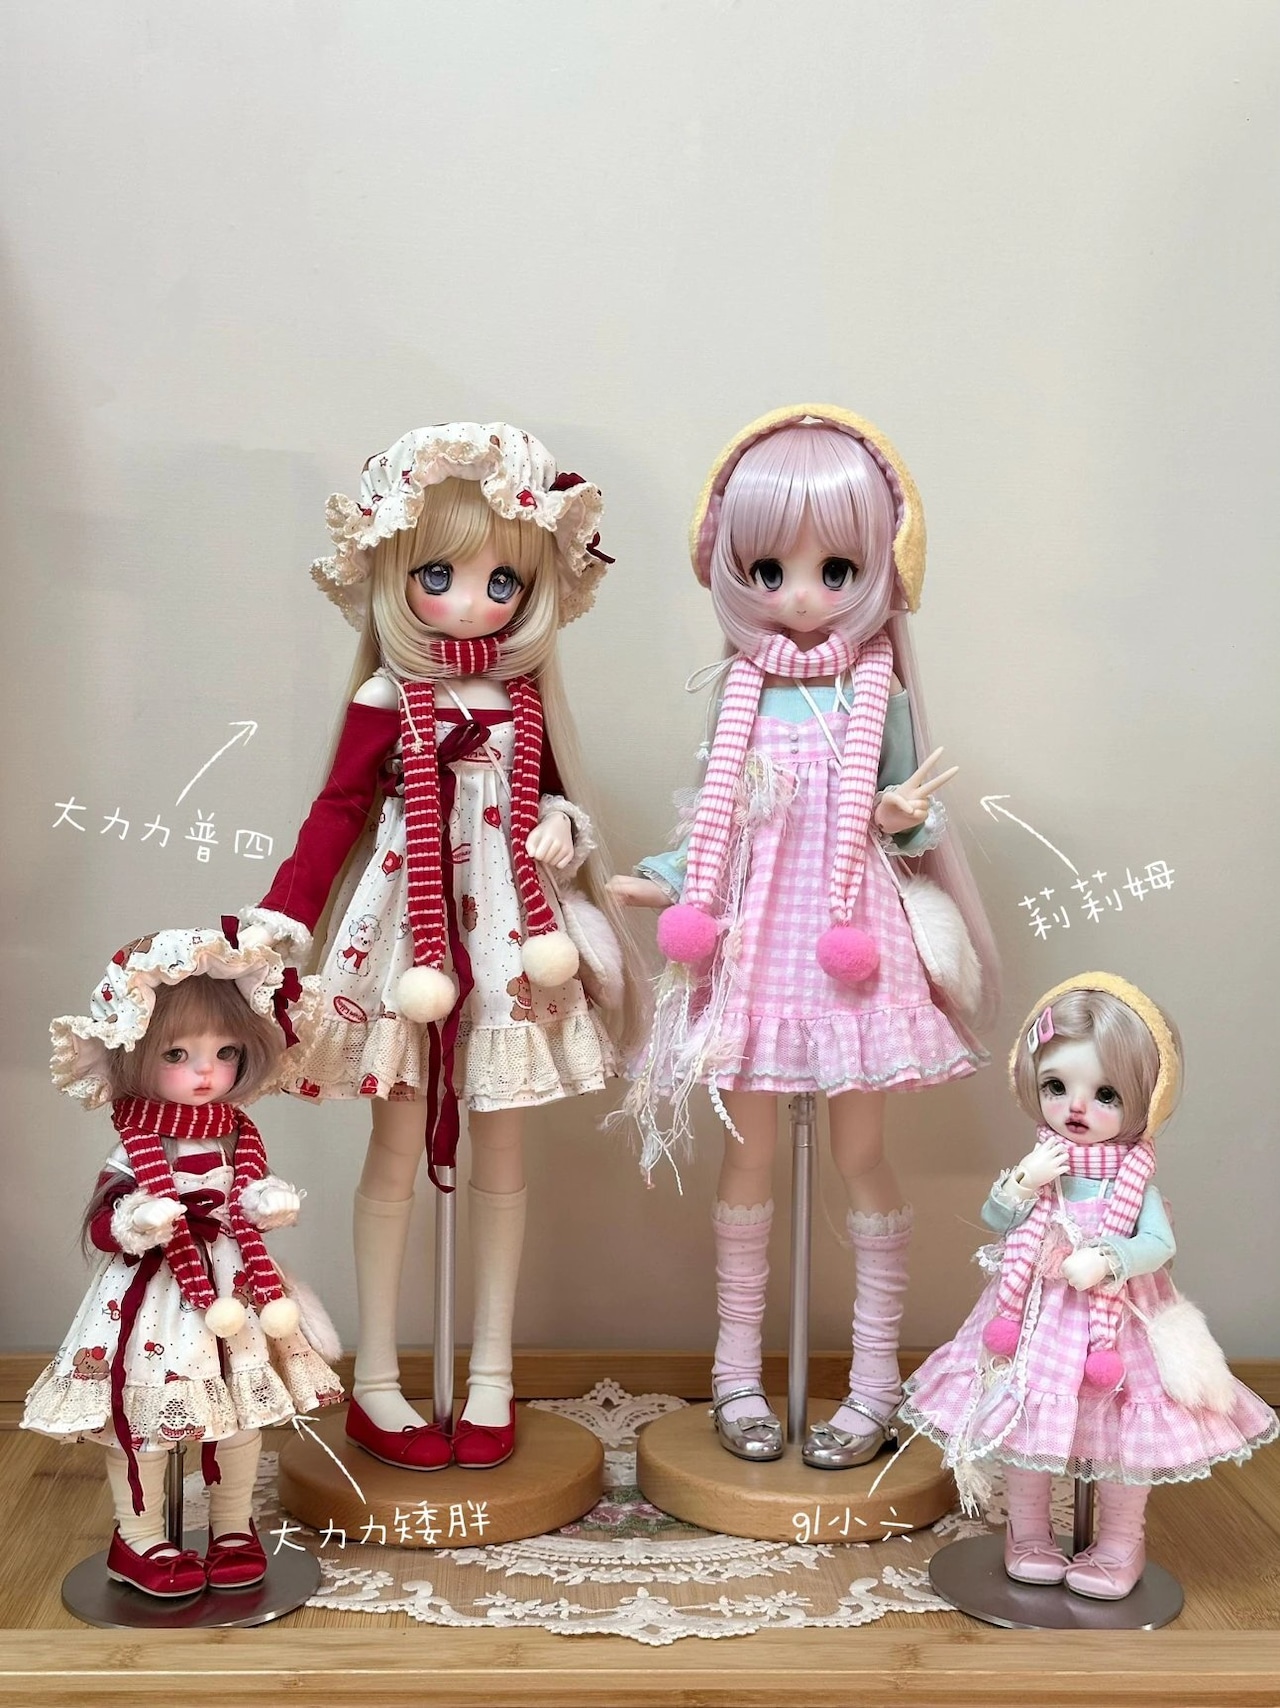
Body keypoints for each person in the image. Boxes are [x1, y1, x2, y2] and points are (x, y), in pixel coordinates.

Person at [242, 423, 643, 1471]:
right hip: (407, 939)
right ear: (394, 576)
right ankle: (378, 1378)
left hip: (510, 934)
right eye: (440, 576)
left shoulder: (523, 701)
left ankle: (492, 1371)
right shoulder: (388, 696)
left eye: (502, 581)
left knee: (502, 1150)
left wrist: (560, 826)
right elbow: (337, 813)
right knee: (394, 1147)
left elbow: (553, 795)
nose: (472, 601)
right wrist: (284, 916)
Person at [613, 406, 997, 1469]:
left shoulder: (880, 691)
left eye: (834, 569)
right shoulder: (740, 692)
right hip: (750, 943)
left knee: (862, 1155)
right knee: (744, 1159)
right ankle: (736, 1373)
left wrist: (898, 816)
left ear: (880, 569)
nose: (798, 594)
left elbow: (912, 822)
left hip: (848, 940)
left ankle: (873, 1383)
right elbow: (718, 821)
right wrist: (662, 881)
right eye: (768, 568)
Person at [899, 972, 1278, 1599]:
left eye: (1106, 1095)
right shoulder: (1045, 1165)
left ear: (1147, 1100)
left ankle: (1120, 1542)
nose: (1076, 1108)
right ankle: (1027, 1532)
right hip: (1036, 1317)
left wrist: (1108, 1257)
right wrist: (1023, 1182)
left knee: (1124, 1434)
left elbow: (1159, 1245)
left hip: (1119, 1324)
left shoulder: (1134, 1182)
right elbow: (998, 1218)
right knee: (1026, 1420)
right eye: (1057, 1086)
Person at [23, 927, 342, 1599]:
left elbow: (246, 1193)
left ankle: (233, 1526)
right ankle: (138, 1537)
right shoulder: (137, 1143)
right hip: (155, 1296)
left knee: (241, 1412)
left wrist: (265, 1201)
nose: (205, 1072)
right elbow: (105, 1224)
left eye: (225, 1053)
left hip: (235, 1285)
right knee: (146, 1420)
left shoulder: (236, 1135)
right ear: (134, 1054)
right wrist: (137, 1219)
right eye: (177, 1054)